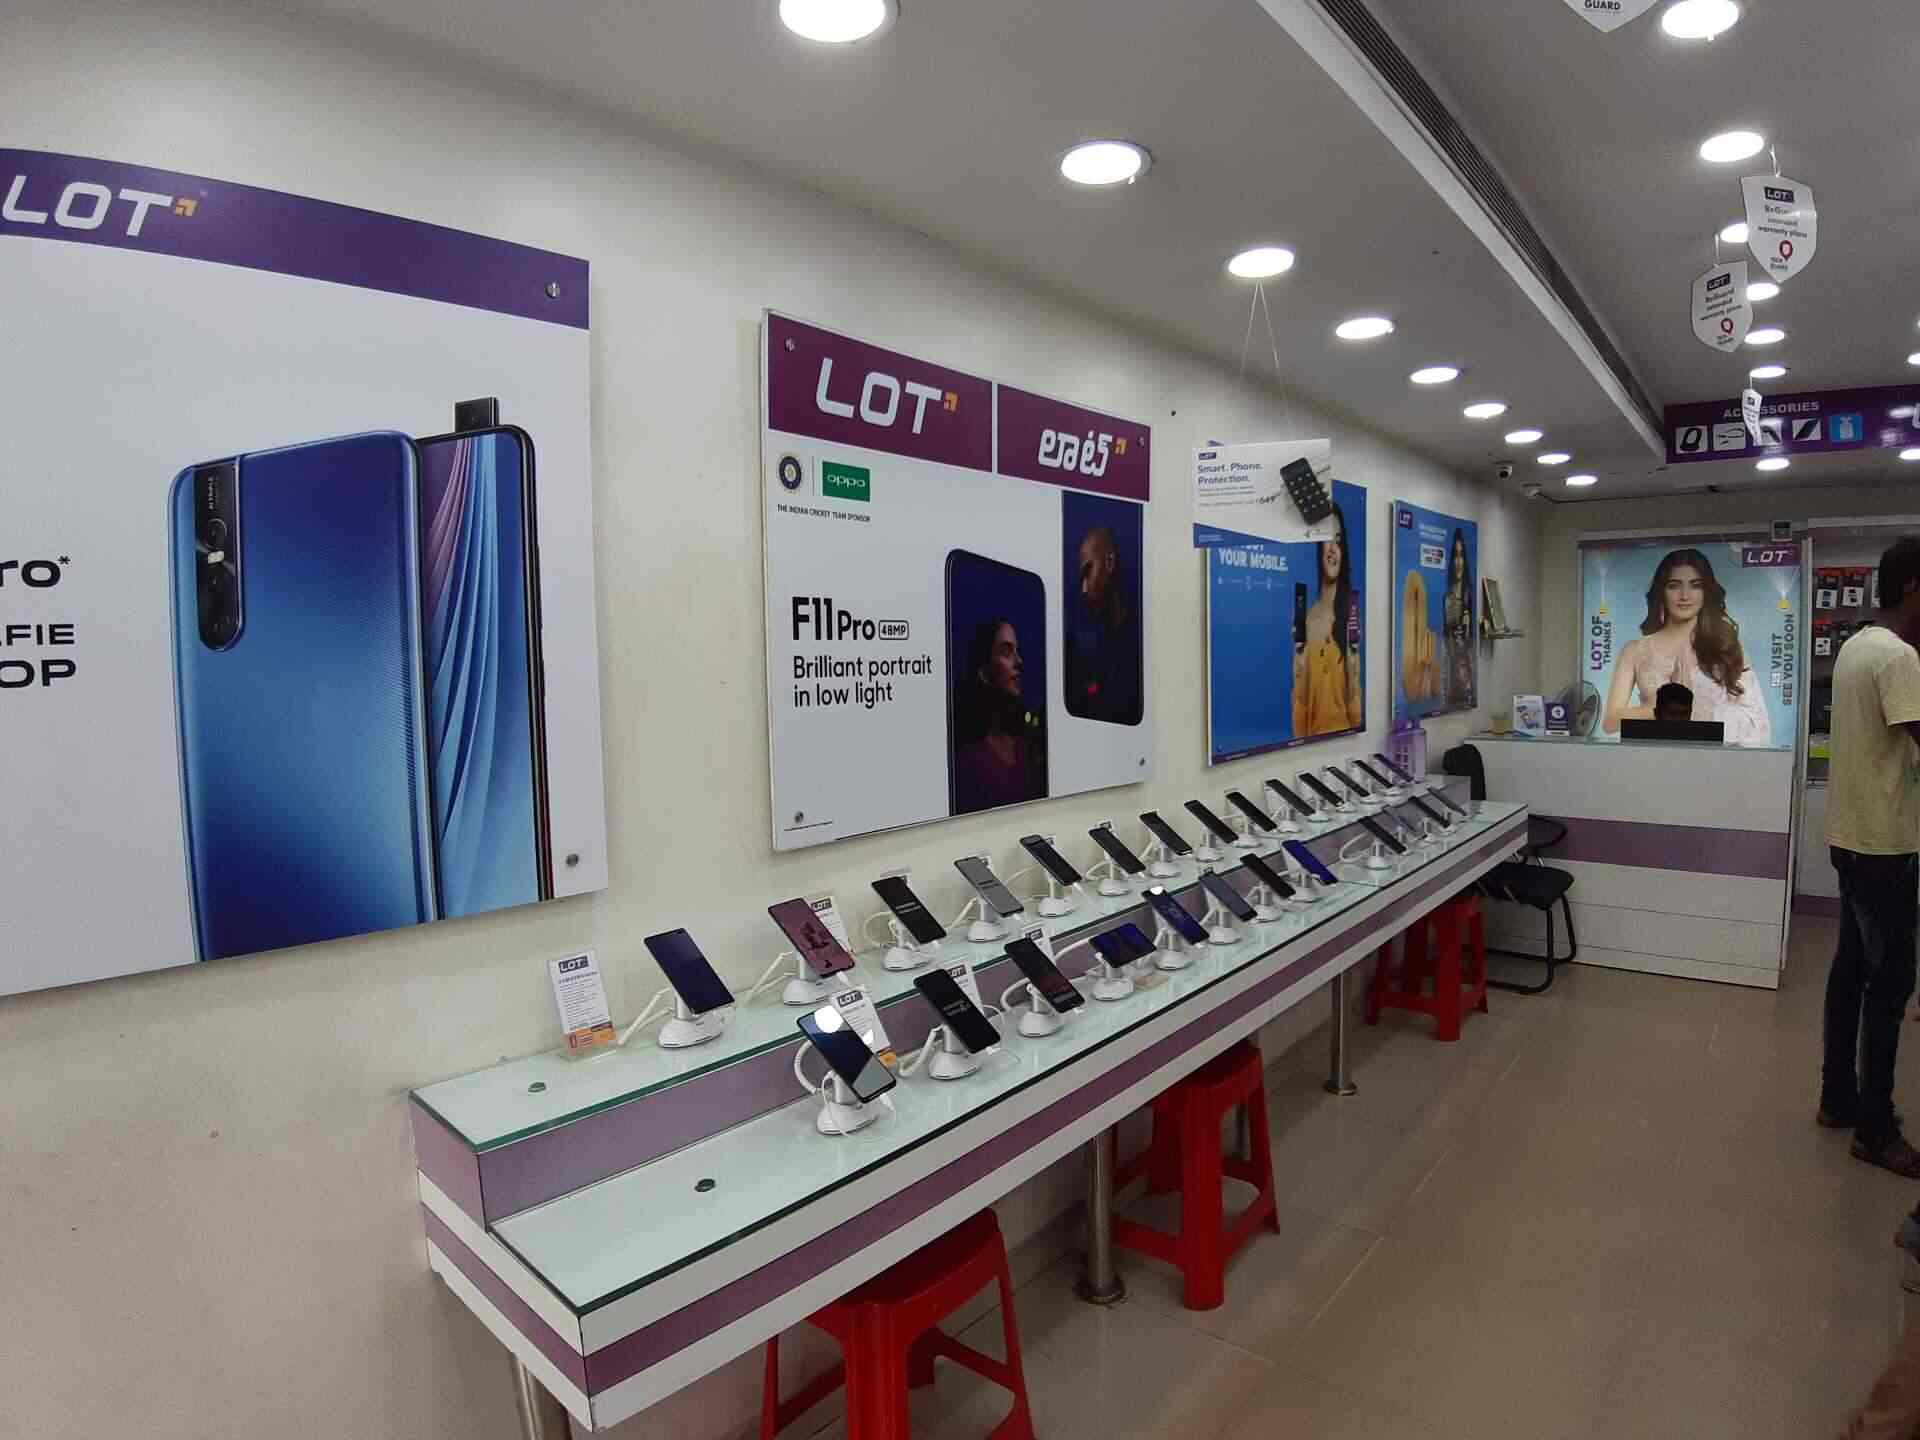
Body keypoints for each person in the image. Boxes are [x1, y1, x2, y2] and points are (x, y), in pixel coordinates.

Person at [1819, 536, 1920, 1177]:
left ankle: (1838, 1098)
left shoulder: (1858, 645)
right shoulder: (1898, 657)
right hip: (1885, 844)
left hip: (1851, 838)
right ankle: (1876, 1130)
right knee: (1890, 983)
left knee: (1851, 970)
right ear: (1912, 587)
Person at [1602, 547, 1770, 746]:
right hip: (1652, 756)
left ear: (1706, 592)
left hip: (1712, 758)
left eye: (1695, 585)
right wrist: (1662, 710)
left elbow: (1758, 724)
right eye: (1674, 586)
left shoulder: (1726, 647)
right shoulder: (1634, 651)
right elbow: (1610, 723)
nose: (1684, 596)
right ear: (1661, 591)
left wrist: (1697, 707)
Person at [952, 617, 1044, 815]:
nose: (1019, 661)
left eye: (1017, 651)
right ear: (983, 672)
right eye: (1006, 651)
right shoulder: (968, 759)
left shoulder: (1026, 747)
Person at [1293, 504, 1363, 736]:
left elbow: (1354, 707)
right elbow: (1301, 708)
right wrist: (1299, 661)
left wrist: (1353, 658)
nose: (1333, 549)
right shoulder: (1307, 620)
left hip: (1344, 741)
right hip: (1311, 745)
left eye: (1338, 541)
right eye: (1327, 540)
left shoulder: (1349, 616)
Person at [1065, 524, 1142, 725]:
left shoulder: (1141, 636)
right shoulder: (1082, 645)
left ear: (1109, 563)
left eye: (1088, 570)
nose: (1083, 589)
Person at [1443, 527, 1475, 709]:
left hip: (1466, 668)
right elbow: (1446, 641)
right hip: (1453, 674)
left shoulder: (1469, 596)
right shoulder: (1448, 599)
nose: (1458, 562)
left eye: (1461, 555)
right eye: (1455, 556)